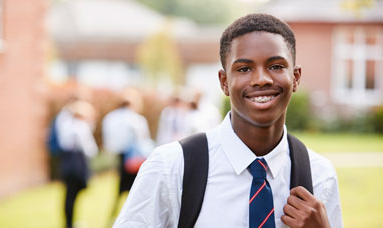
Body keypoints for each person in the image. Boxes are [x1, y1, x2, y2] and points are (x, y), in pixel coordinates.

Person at [113, 14, 343, 228]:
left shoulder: (319, 176)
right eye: (244, 68)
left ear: (295, 77)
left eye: (275, 66)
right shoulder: (172, 167)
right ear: (224, 81)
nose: (261, 79)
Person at [102, 88, 154, 220]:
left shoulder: (110, 117)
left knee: (120, 188)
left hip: (119, 156)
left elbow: (108, 140)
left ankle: (115, 214)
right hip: (133, 158)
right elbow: (143, 139)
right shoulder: (136, 119)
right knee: (135, 188)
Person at [55, 99, 98, 228]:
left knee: (69, 195)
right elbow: (90, 149)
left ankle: (69, 222)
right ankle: (70, 223)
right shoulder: (81, 126)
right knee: (73, 195)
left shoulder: (66, 125)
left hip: (67, 163)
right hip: (77, 164)